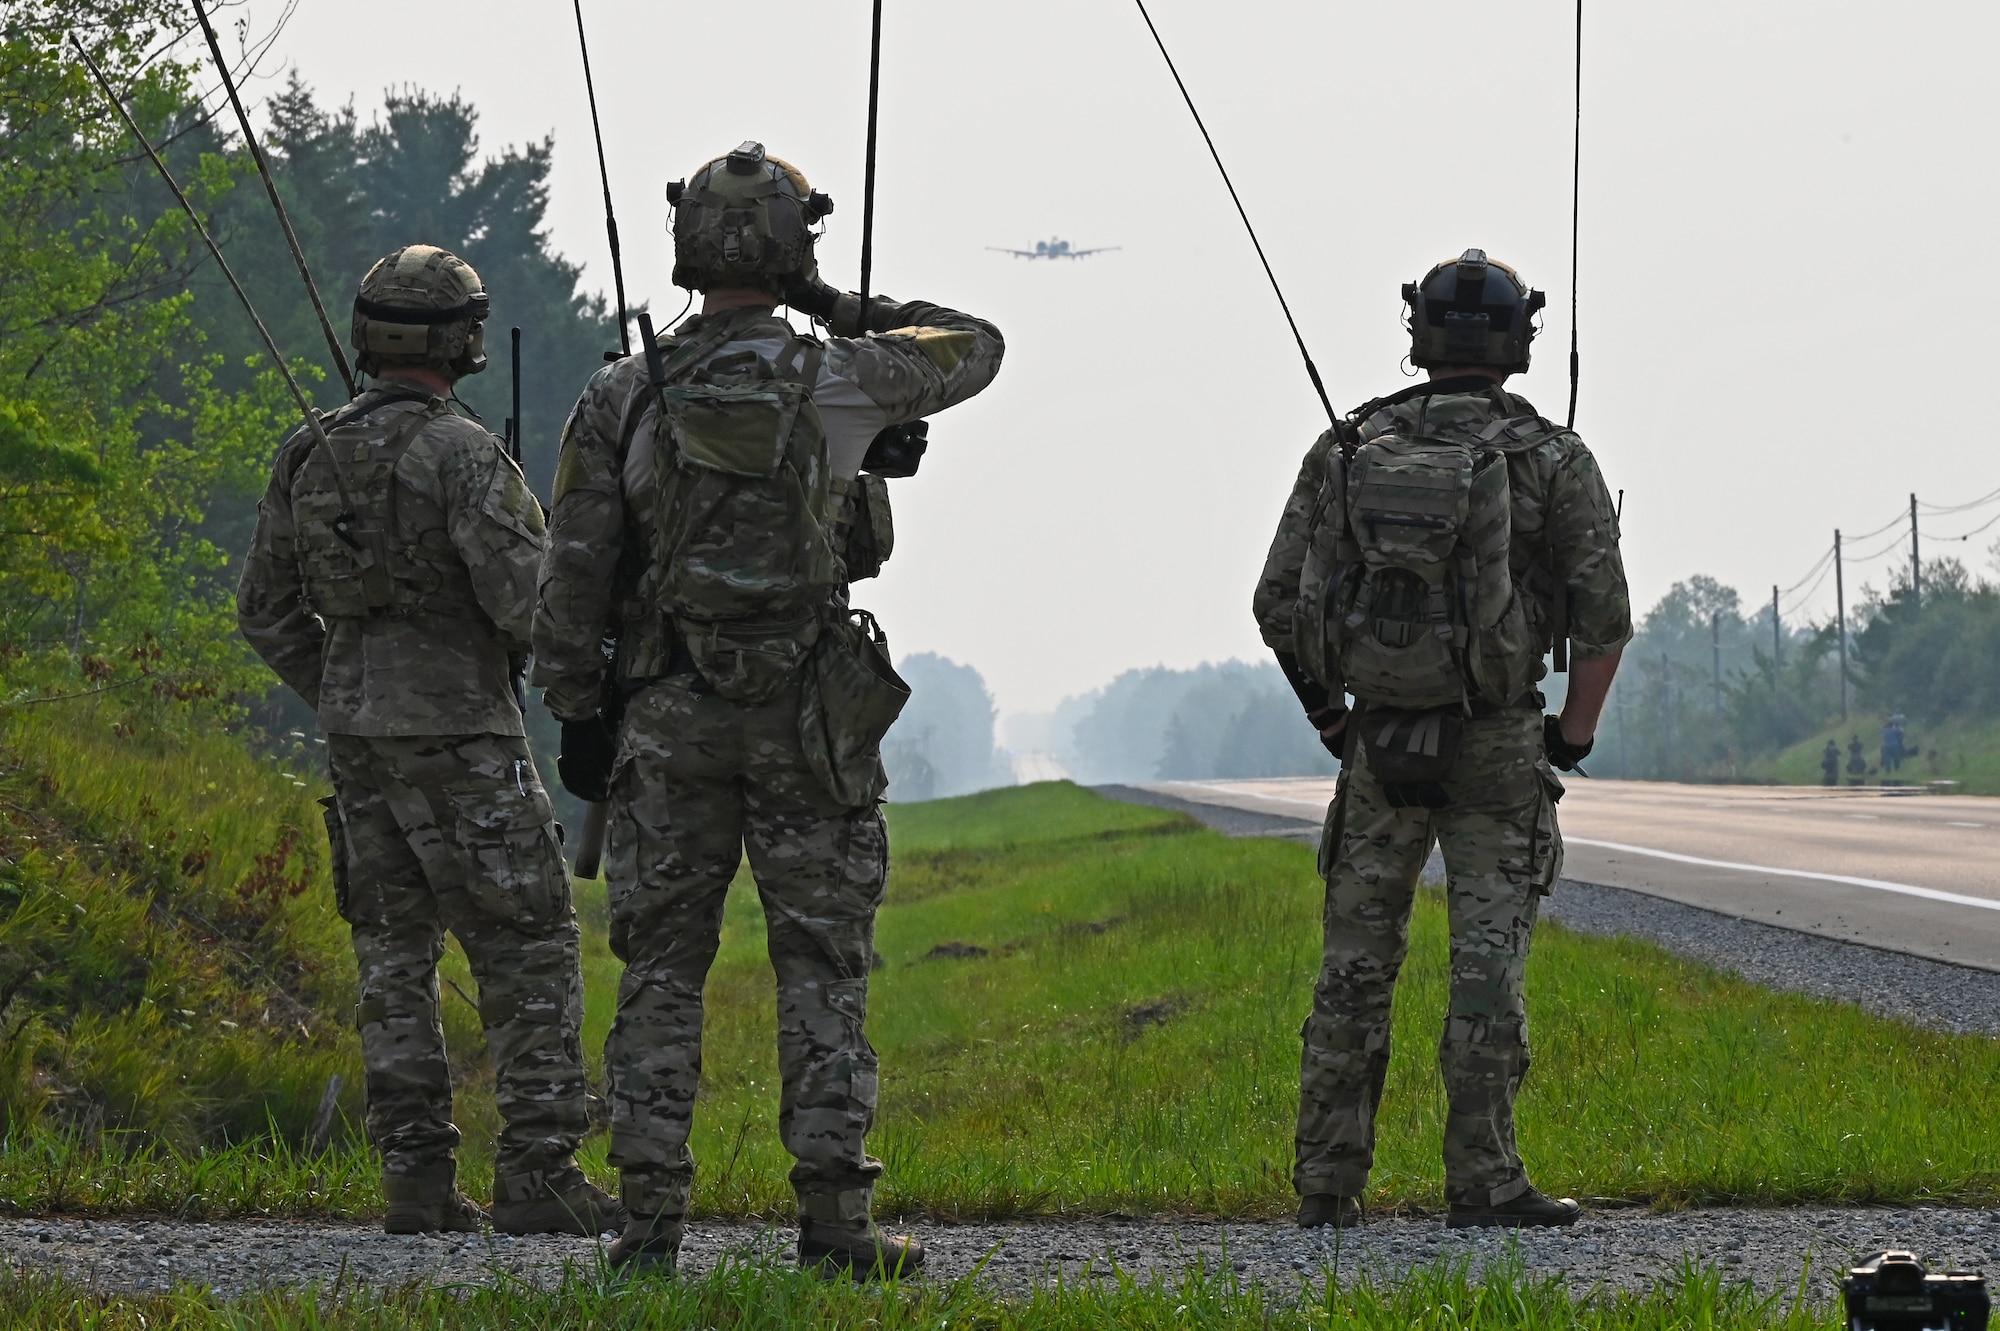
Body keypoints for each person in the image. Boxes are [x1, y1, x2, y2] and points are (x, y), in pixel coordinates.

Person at [532, 142, 1003, 1276]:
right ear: (798, 242)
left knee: (658, 970)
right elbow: (977, 344)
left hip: (668, 716)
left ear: (684, 243)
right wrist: (830, 301)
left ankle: (646, 1226)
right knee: (822, 969)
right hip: (811, 721)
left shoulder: (621, 391)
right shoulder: (844, 374)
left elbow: (574, 571)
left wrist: (578, 709)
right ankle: (835, 1224)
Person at [238, 246, 616, 1238]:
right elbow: (529, 605)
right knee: (527, 943)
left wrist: (344, 688)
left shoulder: (305, 451)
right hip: (464, 734)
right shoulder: (462, 455)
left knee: (391, 954)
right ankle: (537, 1171)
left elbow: (265, 609)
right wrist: (593, 686)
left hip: (358, 742)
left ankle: (415, 1179)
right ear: (464, 342)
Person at [1253, 249, 1630, 1230]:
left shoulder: (1347, 447)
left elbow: (1274, 602)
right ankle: (1484, 1180)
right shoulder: (1552, 459)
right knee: (1483, 968)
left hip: (1377, 746)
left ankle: (1326, 1185)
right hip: (1498, 747)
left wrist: (1333, 719)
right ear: (1519, 340)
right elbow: (1599, 625)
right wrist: (1569, 739)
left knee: (1351, 966)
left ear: (1417, 334)